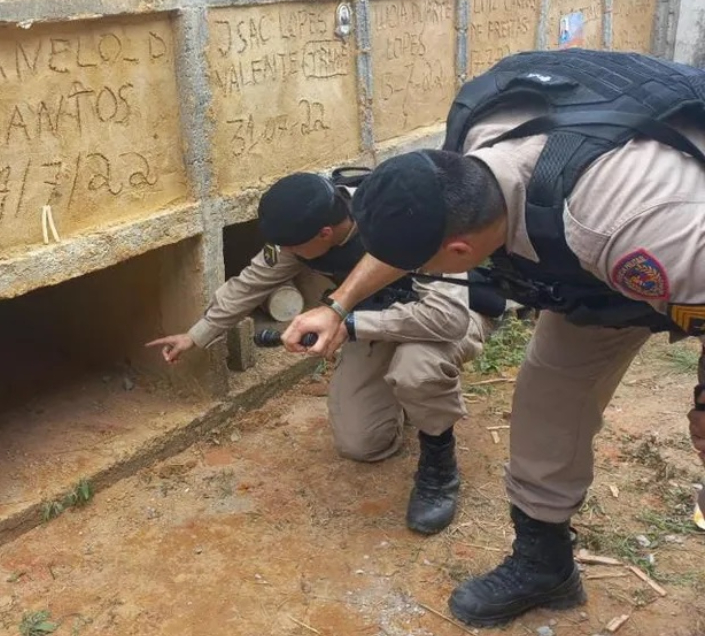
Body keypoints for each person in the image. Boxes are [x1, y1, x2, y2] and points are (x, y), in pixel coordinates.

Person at [279, 48, 705, 627]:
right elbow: (412, 235)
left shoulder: (628, 227)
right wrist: (338, 305)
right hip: (598, 271)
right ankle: (544, 563)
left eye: (425, 266)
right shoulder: (471, 154)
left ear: (460, 252)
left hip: (676, 235)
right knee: (547, 400)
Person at [146, 169, 507, 535]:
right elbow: (250, 283)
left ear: (325, 233)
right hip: (376, 319)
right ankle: (407, 400)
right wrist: (196, 335)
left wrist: (349, 325)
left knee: (416, 369)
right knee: (361, 443)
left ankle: (439, 465)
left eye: (292, 248)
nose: (286, 253)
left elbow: (447, 319)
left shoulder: (405, 218)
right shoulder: (304, 230)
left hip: (450, 316)